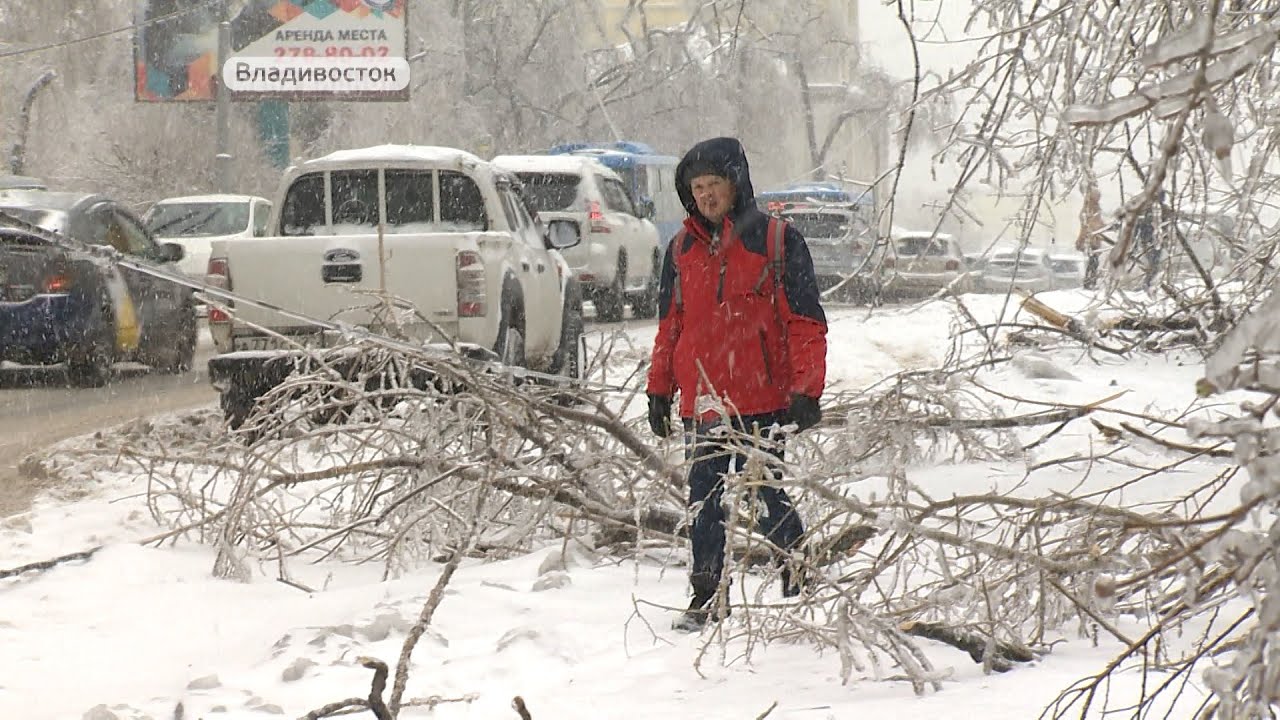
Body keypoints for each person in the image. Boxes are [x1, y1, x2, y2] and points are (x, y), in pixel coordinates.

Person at [645, 137, 828, 632]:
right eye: (697, 188)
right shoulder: (680, 249)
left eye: (714, 185)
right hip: (703, 403)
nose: (705, 196)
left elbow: (805, 321)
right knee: (704, 504)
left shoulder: (776, 241)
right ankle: (706, 595)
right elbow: (671, 325)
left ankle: (797, 578)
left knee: (770, 494)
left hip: (763, 399)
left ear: (736, 185)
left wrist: (806, 390)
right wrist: (658, 387)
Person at [1076, 185, 1105, 289]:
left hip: (1094, 238)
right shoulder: (1091, 208)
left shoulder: (1092, 207)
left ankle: (1090, 281)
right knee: (1093, 261)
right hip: (1092, 238)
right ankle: (1090, 282)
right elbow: (1091, 223)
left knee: (1093, 261)